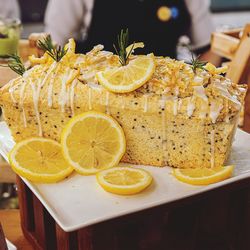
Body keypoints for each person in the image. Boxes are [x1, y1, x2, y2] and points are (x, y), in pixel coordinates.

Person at [45, 0, 221, 65]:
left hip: (166, 100)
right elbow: (55, 48)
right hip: (97, 97)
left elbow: (211, 48)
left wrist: (193, 86)